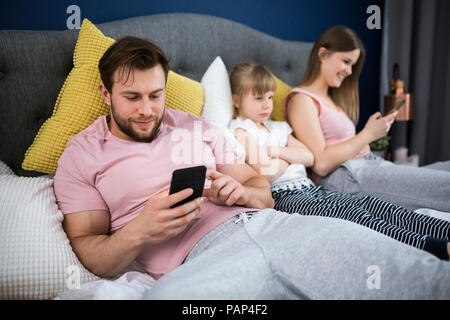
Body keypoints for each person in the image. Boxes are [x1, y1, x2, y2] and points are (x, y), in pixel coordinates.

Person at [53, 36, 450, 299]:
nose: (147, 110)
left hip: (273, 225)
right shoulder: (81, 155)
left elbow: (260, 186)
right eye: (132, 97)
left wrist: (243, 191)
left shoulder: (195, 126)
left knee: (421, 279)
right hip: (201, 260)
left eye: (155, 95)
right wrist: (138, 232)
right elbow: (90, 252)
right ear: (106, 93)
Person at [228, 61, 450, 261]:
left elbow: (309, 157)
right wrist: (287, 154)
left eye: (269, 97)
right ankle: (433, 247)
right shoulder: (240, 131)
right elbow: (267, 172)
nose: (267, 105)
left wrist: (274, 150)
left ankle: (444, 231)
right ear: (236, 100)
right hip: (285, 196)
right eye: (258, 98)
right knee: (355, 216)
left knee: (372, 205)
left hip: (310, 188)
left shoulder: (278, 128)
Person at [284, 25, 450, 213]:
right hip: (346, 175)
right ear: (323, 55)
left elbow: (343, 145)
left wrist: (364, 142)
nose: (349, 71)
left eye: (352, 65)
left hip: (366, 165)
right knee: (444, 186)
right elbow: (321, 164)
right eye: (346, 61)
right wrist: (367, 135)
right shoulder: (302, 99)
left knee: (446, 169)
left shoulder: (331, 100)